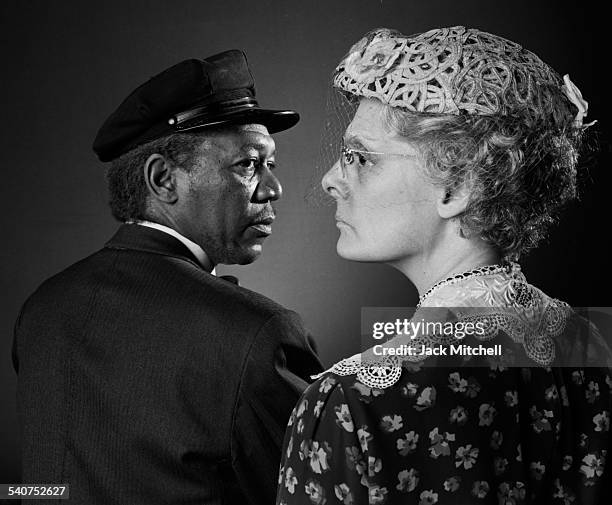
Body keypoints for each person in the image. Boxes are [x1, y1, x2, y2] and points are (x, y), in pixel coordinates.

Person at [277, 27, 611, 504]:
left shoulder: (351, 402)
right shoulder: (590, 347)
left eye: (361, 158)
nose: (332, 179)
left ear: (457, 189)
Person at [12, 49, 323, 505]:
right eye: (248, 164)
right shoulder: (259, 333)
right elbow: (313, 491)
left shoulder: (41, 307)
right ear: (163, 180)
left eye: (270, 165)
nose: (273, 188)